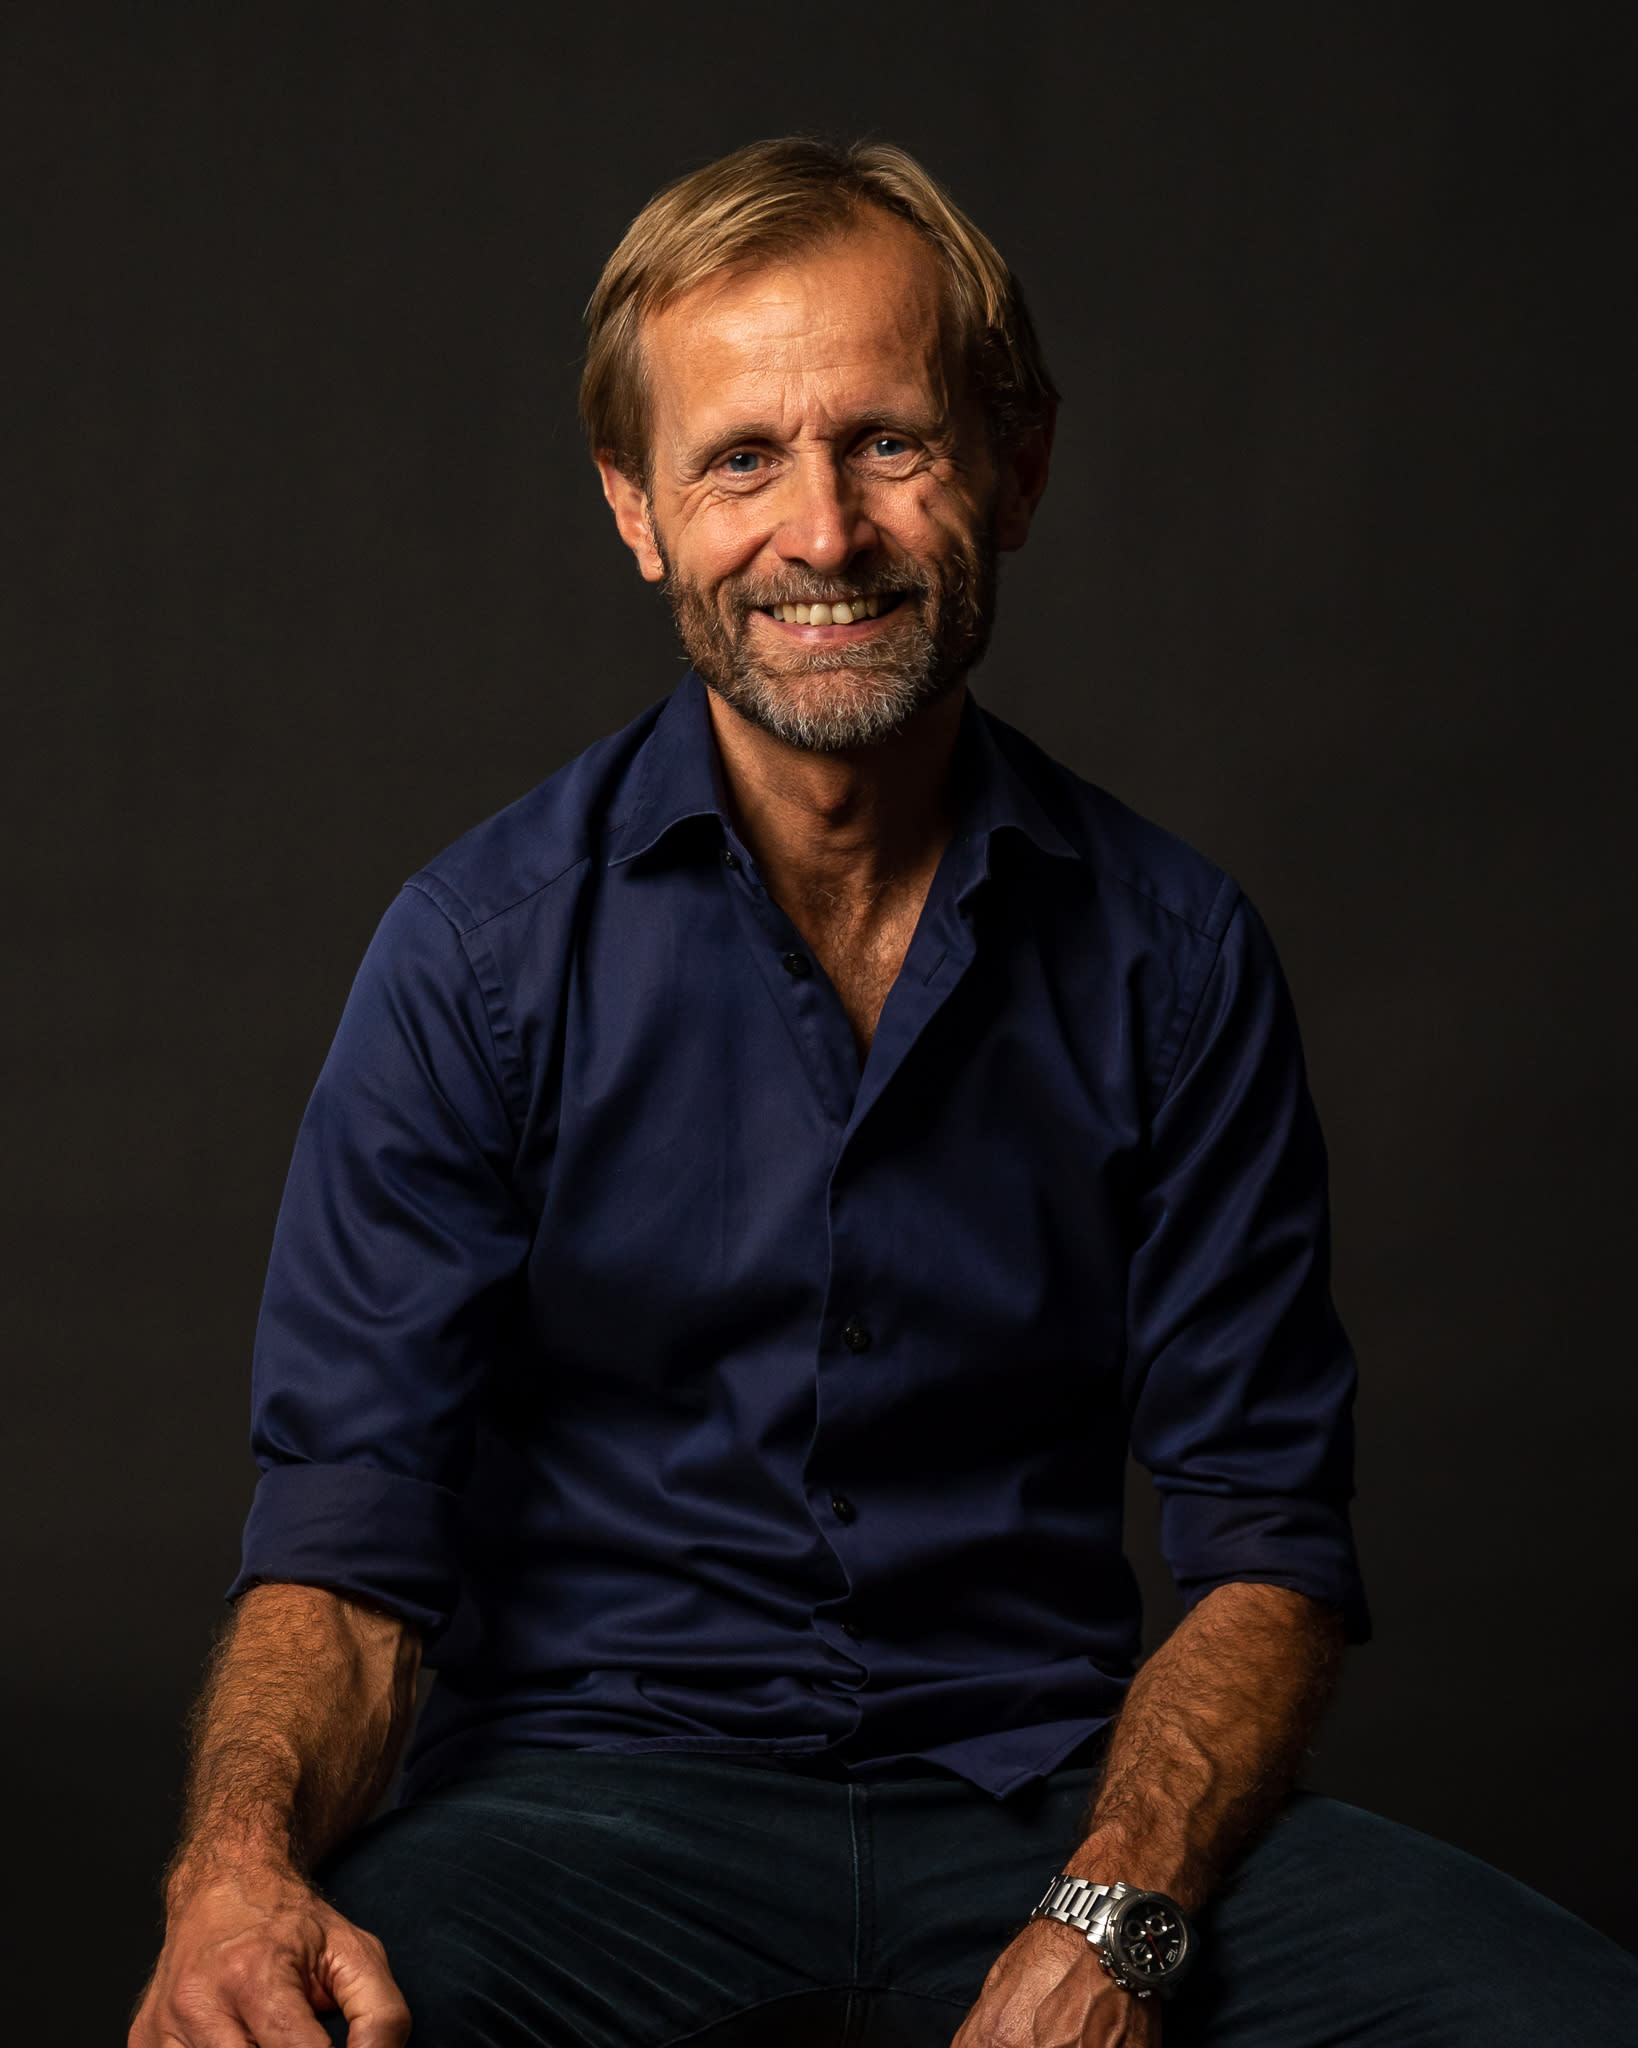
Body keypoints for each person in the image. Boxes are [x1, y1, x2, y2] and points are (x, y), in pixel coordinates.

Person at [131, 138, 1638, 2048]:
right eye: (738, 461)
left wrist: (1115, 1912)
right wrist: (234, 1870)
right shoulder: (476, 956)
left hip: (1049, 1800)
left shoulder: (1173, 954)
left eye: (889, 443)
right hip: (579, 1823)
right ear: (635, 509)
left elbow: (1266, 1549)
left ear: (1017, 465)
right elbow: (345, 1558)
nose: (823, 533)